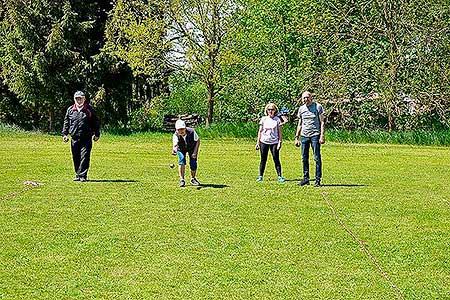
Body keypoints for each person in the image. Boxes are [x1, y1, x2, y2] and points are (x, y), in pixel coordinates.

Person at [62, 91, 100, 182]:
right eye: (77, 98)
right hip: (74, 138)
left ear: (84, 99)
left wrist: (97, 134)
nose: (79, 100)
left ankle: (83, 175)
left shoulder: (89, 110)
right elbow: (66, 122)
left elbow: (96, 122)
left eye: (81, 98)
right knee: (76, 157)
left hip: (86, 138)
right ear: (74, 99)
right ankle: (78, 174)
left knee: (85, 156)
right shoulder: (70, 110)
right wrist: (64, 134)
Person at [294, 91, 325, 187]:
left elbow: (322, 122)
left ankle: (317, 179)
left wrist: (322, 135)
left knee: (317, 158)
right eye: (303, 98)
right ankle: (306, 178)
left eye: (307, 97)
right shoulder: (301, 109)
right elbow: (300, 124)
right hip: (304, 136)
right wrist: (296, 137)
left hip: (315, 135)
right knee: (304, 158)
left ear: (311, 98)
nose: (305, 99)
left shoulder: (318, 107)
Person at [256, 103, 285, 183]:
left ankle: (279, 176)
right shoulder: (264, 119)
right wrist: (258, 142)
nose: (270, 111)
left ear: (275, 110)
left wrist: (280, 142)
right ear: (266, 110)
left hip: (274, 142)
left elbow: (280, 132)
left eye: (272, 109)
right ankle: (260, 176)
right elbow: (260, 131)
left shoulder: (277, 120)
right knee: (263, 159)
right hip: (264, 141)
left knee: (276, 159)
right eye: (269, 109)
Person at [172, 119, 201, 187]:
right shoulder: (175, 135)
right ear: (176, 130)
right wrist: (174, 150)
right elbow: (175, 145)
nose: (181, 131)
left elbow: (198, 141)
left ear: (185, 128)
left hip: (192, 148)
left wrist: (195, 152)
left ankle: (193, 179)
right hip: (181, 149)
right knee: (182, 159)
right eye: (179, 129)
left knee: (193, 163)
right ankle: (182, 180)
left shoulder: (192, 131)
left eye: (182, 129)